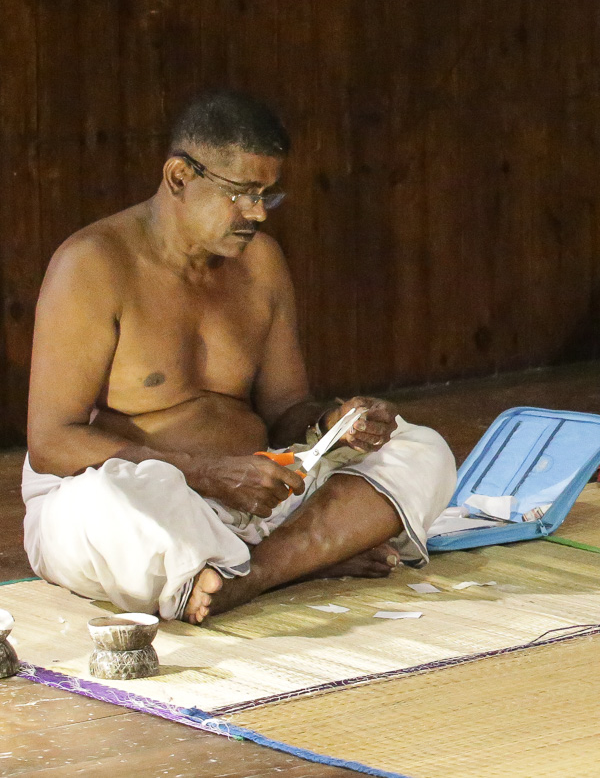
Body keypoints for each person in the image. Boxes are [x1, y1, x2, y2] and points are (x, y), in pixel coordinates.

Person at [23, 91, 457, 623]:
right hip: (151, 497)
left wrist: (330, 423)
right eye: (243, 194)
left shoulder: (261, 264)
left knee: (423, 450)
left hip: (258, 498)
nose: (257, 214)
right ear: (180, 177)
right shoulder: (92, 265)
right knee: (101, 512)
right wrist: (204, 474)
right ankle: (300, 557)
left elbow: (285, 409)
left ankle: (244, 576)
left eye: (268, 196)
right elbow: (51, 442)